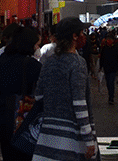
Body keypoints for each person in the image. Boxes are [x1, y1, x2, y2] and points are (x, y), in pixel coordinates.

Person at [33, 18, 98, 161]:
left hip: (47, 137)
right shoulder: (77, 63)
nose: (84, 36)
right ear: (74, 36)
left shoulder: (49, 62)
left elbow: (38, 96)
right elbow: (80, 104)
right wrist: (89, 139)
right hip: (70, 140)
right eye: (82, 33)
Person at [0, 25, 42, 161]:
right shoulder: (33, 65)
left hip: (3, 117)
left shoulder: (1, 60)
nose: (37, 48)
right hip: (23, 119)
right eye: (36, 45)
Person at [100, 31, 118, 104]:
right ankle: (110, 95)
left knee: (111, 82)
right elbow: (102, 58)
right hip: (106, 68)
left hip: (113, 68)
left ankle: (111, 97)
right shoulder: (104, 48)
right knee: (108, 83)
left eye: (110, 39)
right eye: (108, 39)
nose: (109, 40)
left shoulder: (116, 48)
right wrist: (100, 67)